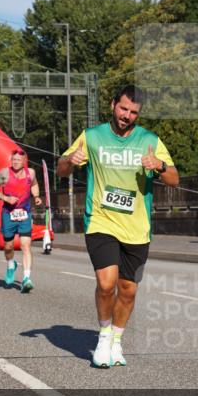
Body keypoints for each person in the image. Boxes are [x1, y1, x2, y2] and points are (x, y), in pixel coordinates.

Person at [57, 84, 178, 368]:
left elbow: (174, 179)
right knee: (106, 282)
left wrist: (159, 165)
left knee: (128, 289)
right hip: (101, 220)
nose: (127, 115)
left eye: (133, 112)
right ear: (113, 105)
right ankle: (102, 337)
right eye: (123, 108)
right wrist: (70, 161)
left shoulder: (149, 140)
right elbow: (61, 168)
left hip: (137, 227)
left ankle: (116, 340)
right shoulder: (91, 137)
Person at [0, 148, 42, 292]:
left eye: (18, 160)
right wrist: (6, 198)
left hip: (24, 213)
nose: (15, 162)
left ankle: (26, 278)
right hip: (8, 214)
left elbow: (34, 185)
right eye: (13, 160)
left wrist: (36, 196)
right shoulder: (4, 173)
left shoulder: (30, 173)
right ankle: (10, 264)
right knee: (8, 246)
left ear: (24, 161)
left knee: (26, 245)